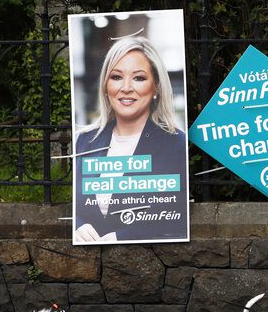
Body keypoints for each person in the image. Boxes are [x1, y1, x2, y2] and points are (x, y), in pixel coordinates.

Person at [73, 36, 188, 243]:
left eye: (139, 78)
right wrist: (79, 225)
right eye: (116, 77)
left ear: (156, 88)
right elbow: (76, 207)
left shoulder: (176, 144)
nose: (126, 87)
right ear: (105, 86)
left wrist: (121, 236)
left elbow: (176, 215)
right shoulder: (84, 141)